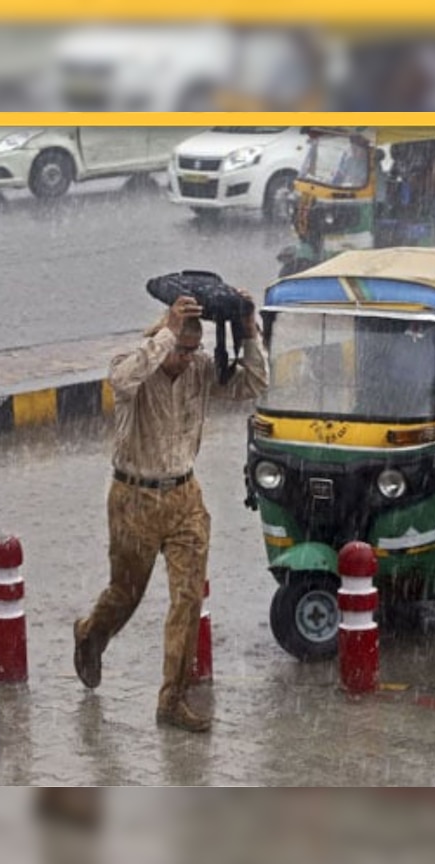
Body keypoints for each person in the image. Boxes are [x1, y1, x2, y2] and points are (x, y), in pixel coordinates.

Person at [73, 292, 268, 732]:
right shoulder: (135, 361)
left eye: (192, 350)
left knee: (188, 598)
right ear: (165, 337)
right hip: (134, 496)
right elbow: (122, 382)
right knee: (126, 593)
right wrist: (167, 333)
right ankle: (91, 633)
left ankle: (171, 700)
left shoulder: (199, 367)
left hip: (184, 496)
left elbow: (252, 385)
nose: (186, 359)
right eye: (181, 349)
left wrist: (249, 330)